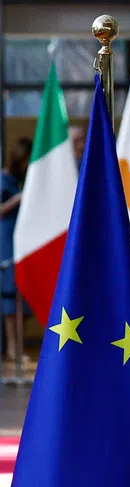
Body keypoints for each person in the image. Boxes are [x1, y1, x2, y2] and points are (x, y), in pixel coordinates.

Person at [0, 137, 32, 363]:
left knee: (24, 296)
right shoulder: (4, 180)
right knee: (11, 298)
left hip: (23, 240)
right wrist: (19, 199)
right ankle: (12, 347)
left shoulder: (23, 179)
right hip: (6, 241)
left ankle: (18, 344)